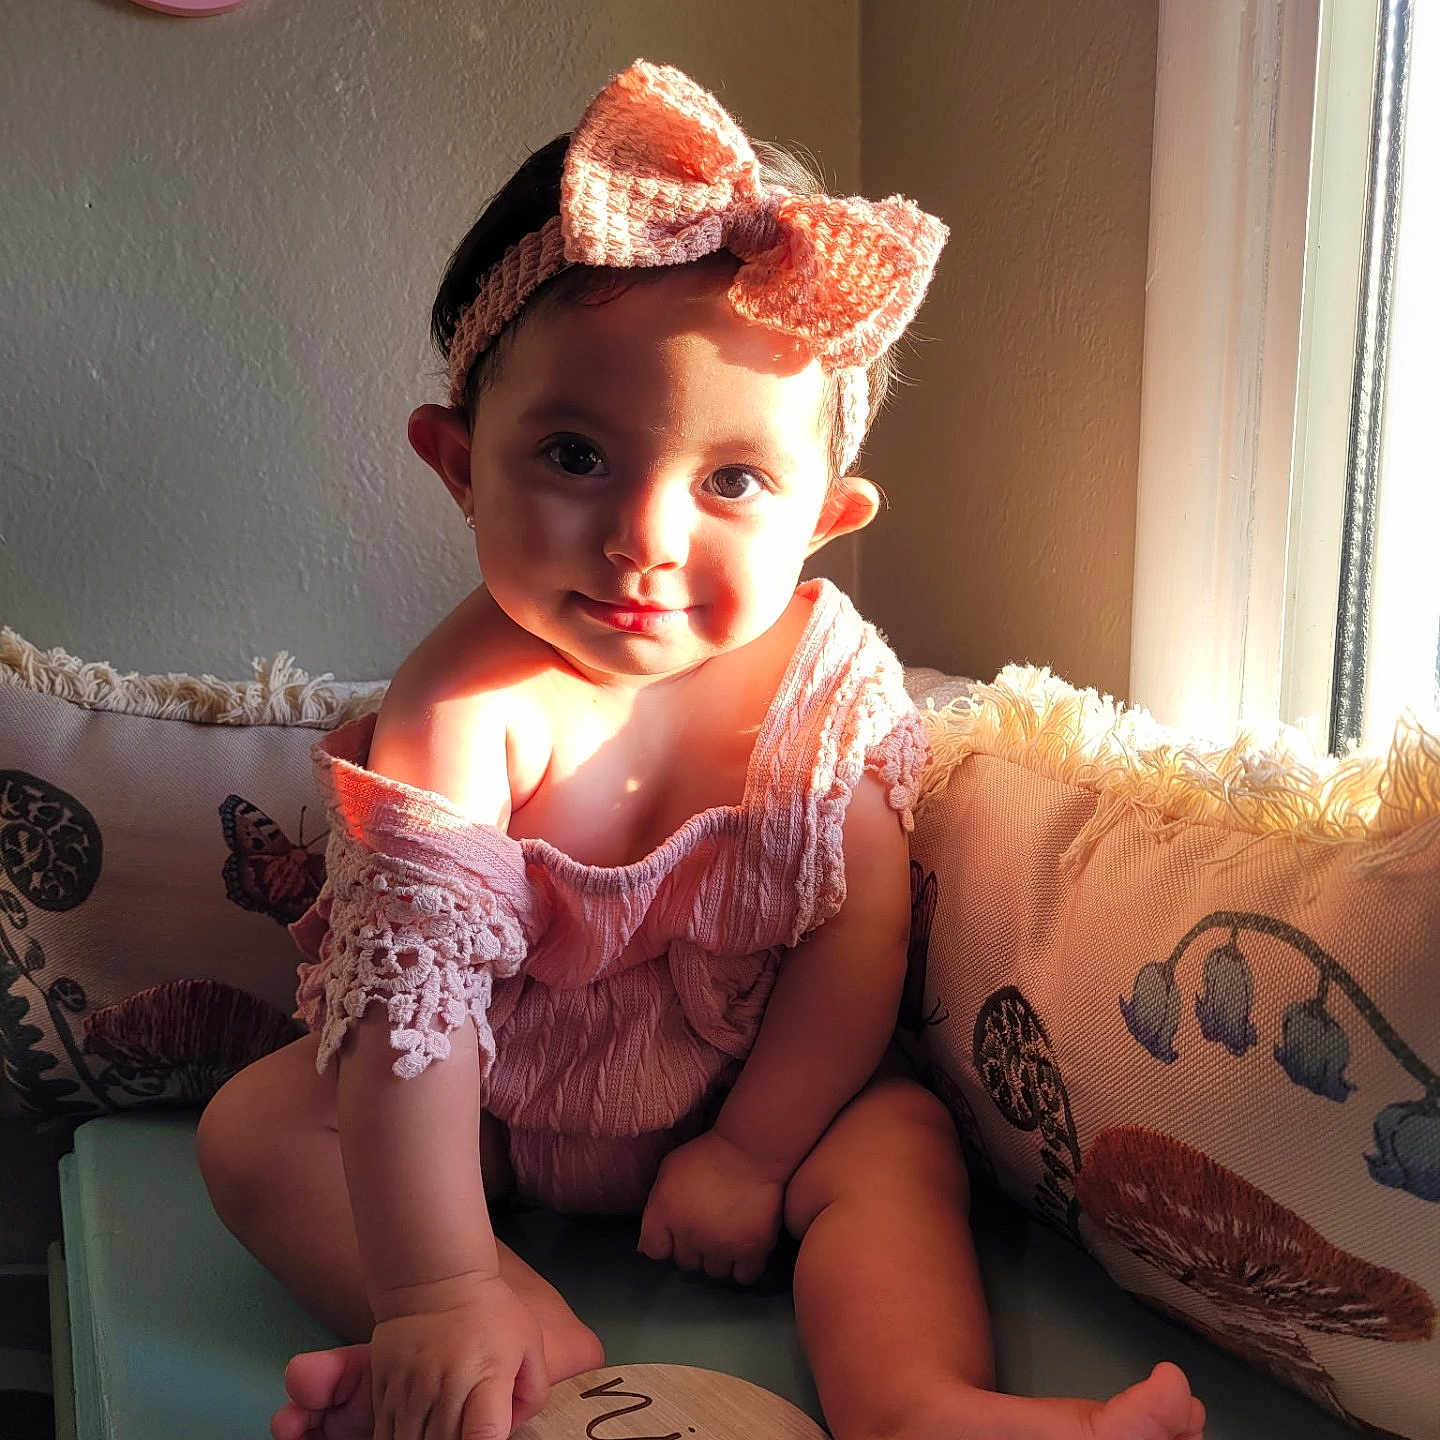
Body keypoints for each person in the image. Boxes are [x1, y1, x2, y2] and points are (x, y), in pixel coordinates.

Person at [197, 59, 1204, 1440]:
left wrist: (753, 1148)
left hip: (748, 1098)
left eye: (732, 481)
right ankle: (495, 1347)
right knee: (261, 1135)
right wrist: (434, 1277)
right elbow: (411, 1015)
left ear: (828, 518)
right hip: (482, 1110)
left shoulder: (828, 688)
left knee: (900, 1142)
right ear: (456, 461)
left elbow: (859, 937)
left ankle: (916, 1401)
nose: (645, 540)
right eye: (572, 454)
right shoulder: (462, 711)